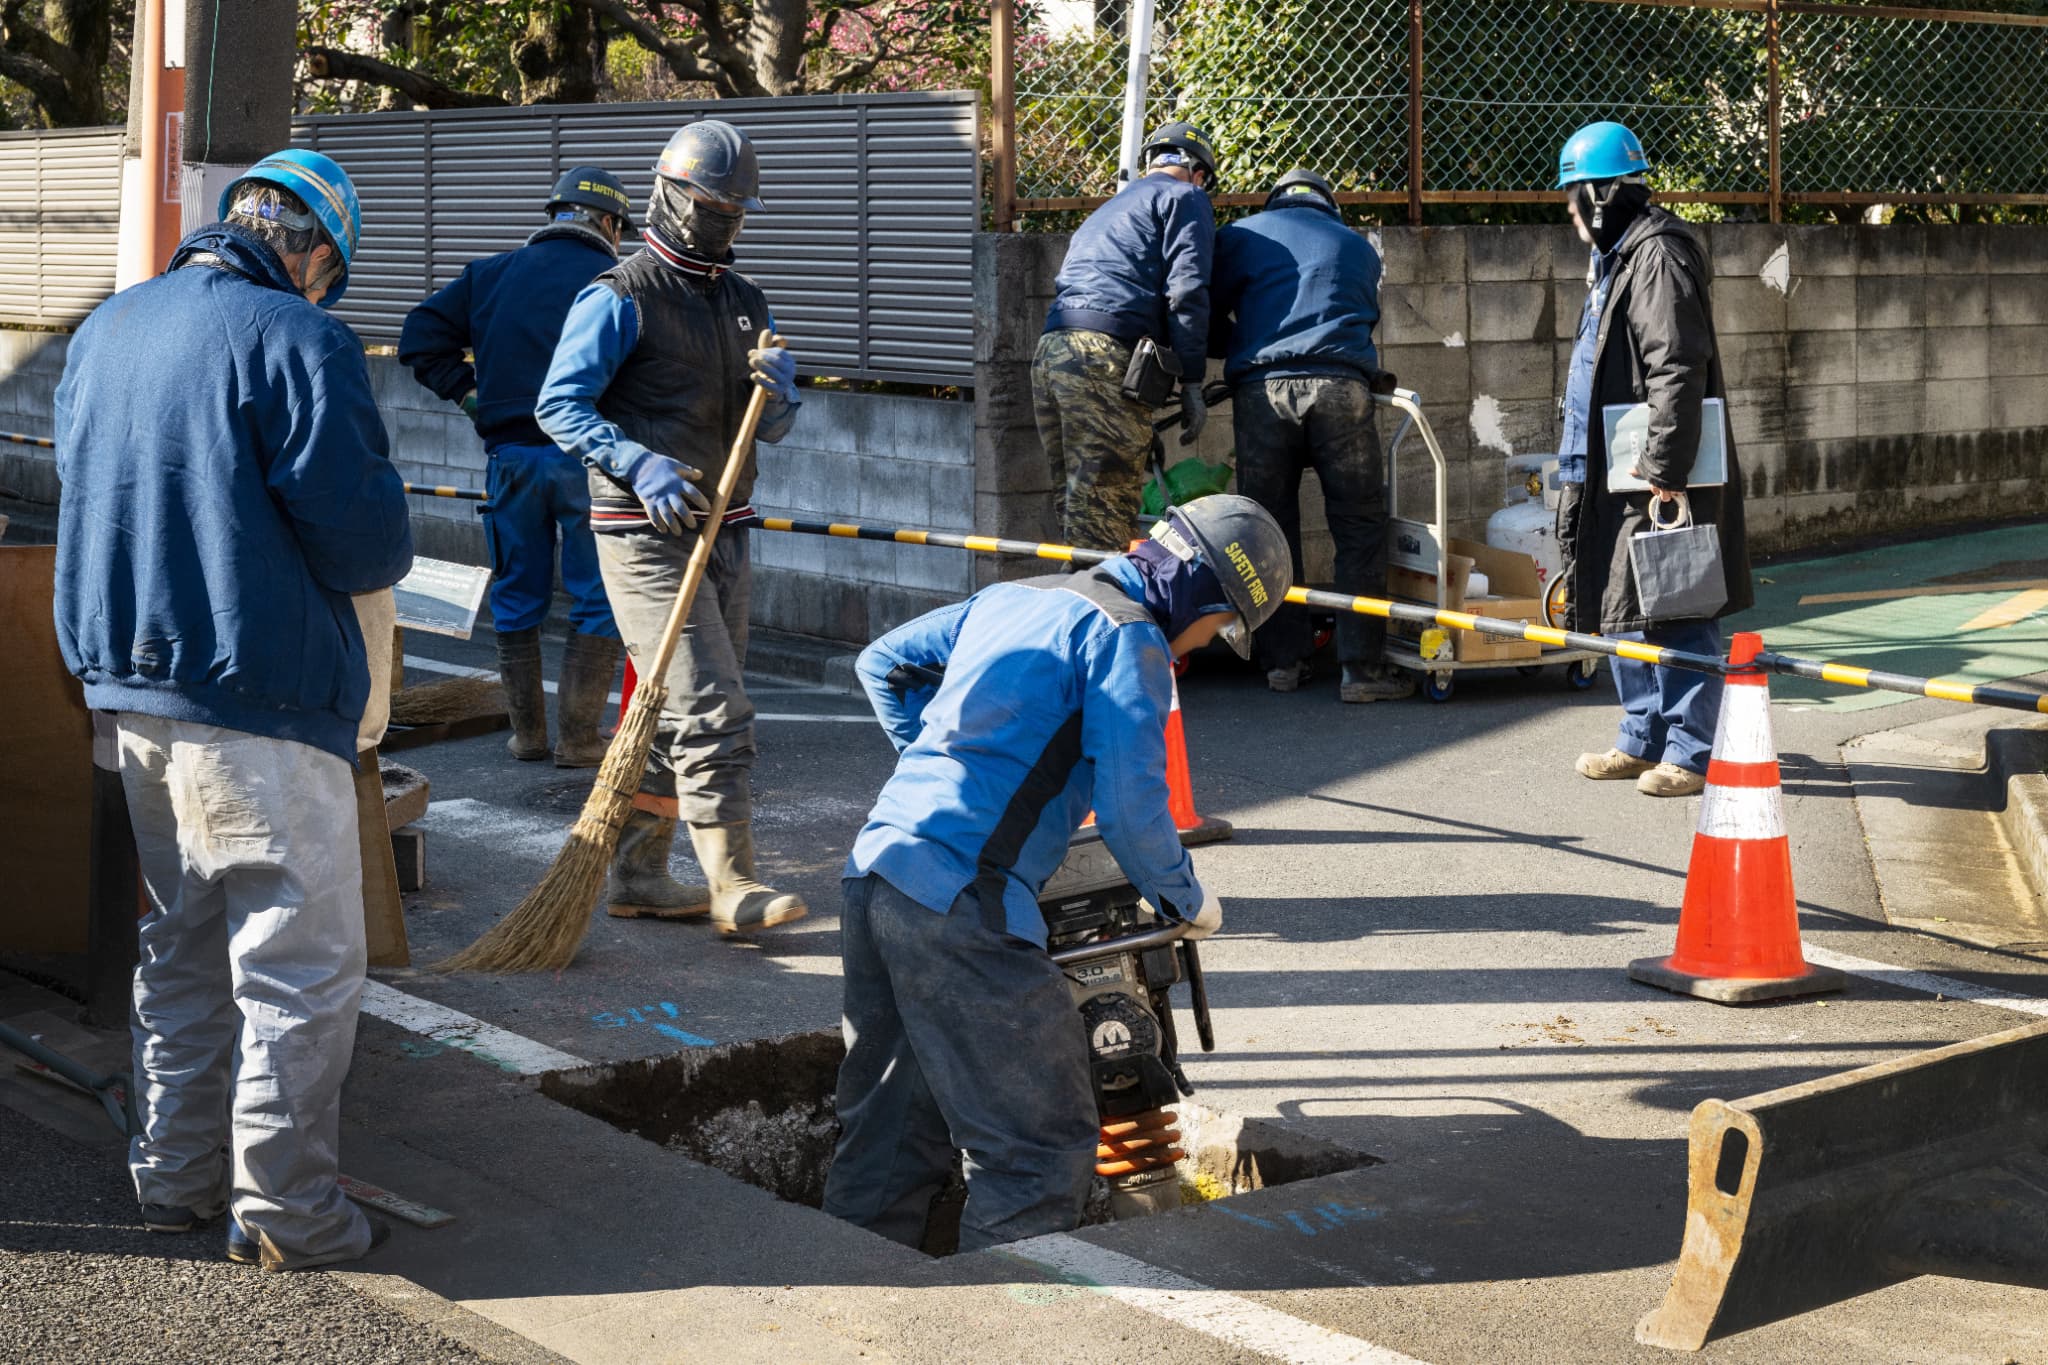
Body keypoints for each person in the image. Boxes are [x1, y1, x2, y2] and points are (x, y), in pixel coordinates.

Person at [51, 149, 412, 1269]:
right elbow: (364, 542)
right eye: (326, 271)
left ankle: (173, 1176)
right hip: (261, 702)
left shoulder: (106, 331)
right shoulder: (302, 340)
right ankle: (290, 1215)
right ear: (309, 253)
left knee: (182, 948)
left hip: (130, 704)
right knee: (296, 968)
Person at [821, 495, 1291, 1251]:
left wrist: (938, 770)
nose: (1206, 643)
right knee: (1038, 1152)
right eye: (1221, 622)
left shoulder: (1020, 593)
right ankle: (1007, 1324)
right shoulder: (1130, 639)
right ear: (1200, 589)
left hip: (875, 873)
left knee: (890, 1141)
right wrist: (1188, 897)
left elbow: (882, 661)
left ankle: (849, 1312)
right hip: (963, 902)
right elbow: (1134, 811)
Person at [536, 119, 807, 933]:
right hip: (644, 533)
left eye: (735, 208)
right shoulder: (620, 296)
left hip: (728, 527)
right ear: (669, 192)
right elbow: (559, 404)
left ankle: (642, 872)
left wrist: (785, 393)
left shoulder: (743, 299)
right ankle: (734, 885)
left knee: (671, 708)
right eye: (710, 203)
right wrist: (635, 460)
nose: (723, 220)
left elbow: (773, 427)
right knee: (713, 707)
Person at [400, 167, 636, 767]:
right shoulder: (620, 282)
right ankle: (580, 739)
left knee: (516, 595)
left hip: (511, 461)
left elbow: (420, 334)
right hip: (591, 462)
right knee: (596, 598)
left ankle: (528, 735)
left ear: (555, 215)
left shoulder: (492, 275)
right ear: (608, 224)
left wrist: (471, 394)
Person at [1552, 122, 1753, 797]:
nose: (1570, 212)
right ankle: (1642, 735)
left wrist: (1666, 464)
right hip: (1609, 460)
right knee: (1622, 599)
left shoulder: (1658, 255)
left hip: (1651, 464)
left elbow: (1676, 363)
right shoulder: (1618, 257)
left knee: (1676, 596)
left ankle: (1691, 750)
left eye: (1574, 196)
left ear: (1602, 195)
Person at [1210, 168, 1408, 703]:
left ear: (1275, 201)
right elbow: (1364, 315)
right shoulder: (1358, 247)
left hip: (1262, 390)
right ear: (1329, 206)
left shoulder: (1243, 235)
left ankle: (1282, 662)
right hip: (1342, 389)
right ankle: (1362, 672)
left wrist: (1238, 343)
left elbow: (1207, 301)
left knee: (1266, 528)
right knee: (1359, 525)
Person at [1035, 121, 1219, 551]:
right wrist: (1192, 380)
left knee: (1077, 507)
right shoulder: (1185, 197)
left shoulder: (1111, 208)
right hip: (1103, 352)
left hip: (1053, 349)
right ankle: (1103, 612)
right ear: (1198, 172)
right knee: (1106, 518)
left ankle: (1076, 600)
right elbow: (1187, 290)